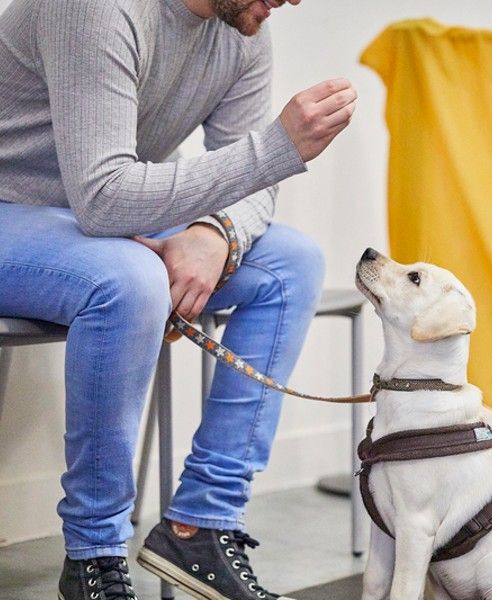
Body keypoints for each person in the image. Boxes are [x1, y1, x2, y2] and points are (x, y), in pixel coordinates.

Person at [0, 0, 357, 597]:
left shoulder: (241, 28)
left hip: (89, 219)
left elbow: (250, 188)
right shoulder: (96, 8)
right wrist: (278, 148)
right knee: (131, 277)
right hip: (17, 209)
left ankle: (201, 525)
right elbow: (106, 199)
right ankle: (94, 553)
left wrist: (216, 233)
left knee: (292, 264)